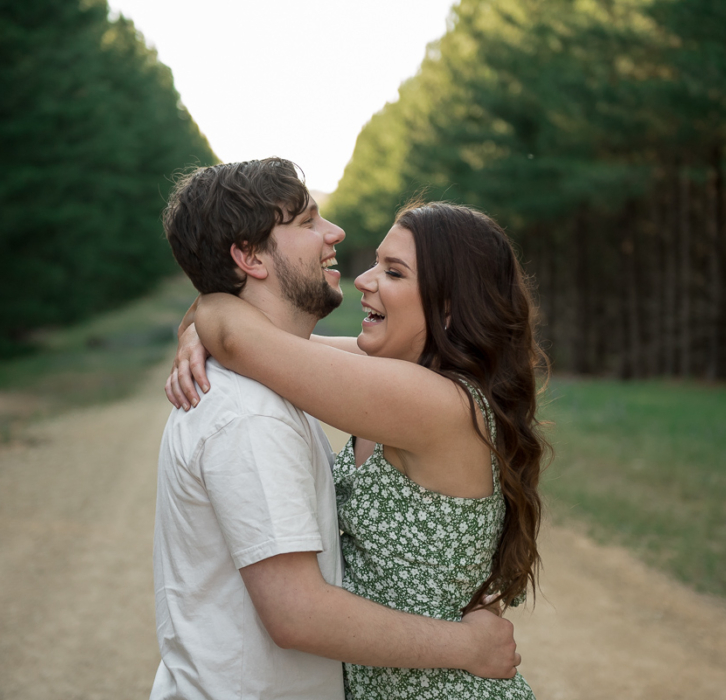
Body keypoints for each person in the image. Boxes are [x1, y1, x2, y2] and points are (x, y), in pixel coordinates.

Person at [154, 158, 520, 700]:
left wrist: (210, 311)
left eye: (394, 273)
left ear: (447, 310)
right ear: (249, 256)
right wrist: (205, 320)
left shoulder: (433, 402)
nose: (364, 277)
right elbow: (264, 344)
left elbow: (245, 338)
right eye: (306, 222)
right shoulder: (344, 384)